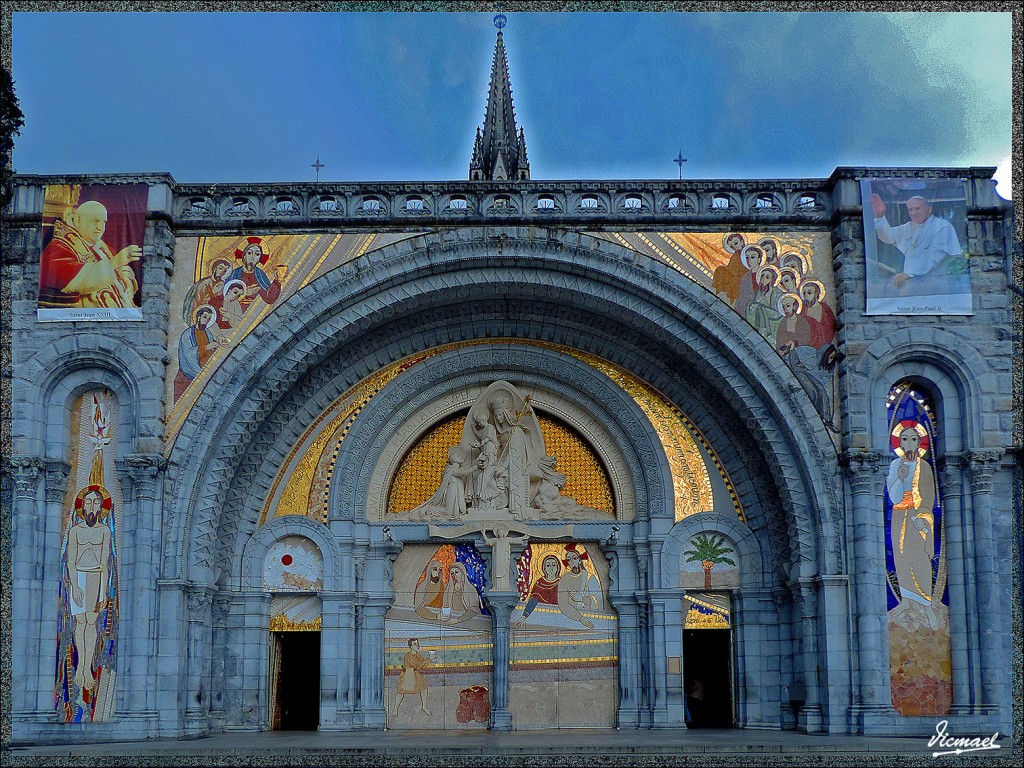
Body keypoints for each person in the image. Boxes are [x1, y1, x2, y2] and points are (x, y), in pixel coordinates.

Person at [38, 200, 141, 309]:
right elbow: (72, 281)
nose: (100, 227)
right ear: (78, 221)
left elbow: (120, 270)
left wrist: (127, 280)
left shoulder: (103, 247)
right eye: (95, 221)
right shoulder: (58, 247)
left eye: (103, 222)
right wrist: (114, 263)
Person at [886, 423, 938, 627]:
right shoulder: (894, 466)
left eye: (913, 439)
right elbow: (893, 496)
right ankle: (906, 601)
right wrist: (899, 479)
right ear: (899, 443)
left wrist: (923, 518)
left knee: (920, 559)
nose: (909, 443)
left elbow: (930, 497)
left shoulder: (924, 467)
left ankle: (927, 607)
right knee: (900, 557)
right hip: (899, 515)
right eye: (905, 439)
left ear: (919, 442)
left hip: (918, 517)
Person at [64, 486, 113, 696]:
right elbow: (70, 561)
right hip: (79, 577)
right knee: (80, 622)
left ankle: (86, 669)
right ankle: (81, 666)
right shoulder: (75, 530)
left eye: (96, 503)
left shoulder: (104, 531)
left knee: (91, 622)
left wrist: (103, 592)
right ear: (82, 506)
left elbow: (104, 562)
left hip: (95, 577)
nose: (92, 506)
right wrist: (74, 586)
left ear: (101, 507)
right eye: (88, 502)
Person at [871, 194, 963, 292]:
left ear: (929, 209)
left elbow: (934, 255)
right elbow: (889, 237)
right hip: (911, 284)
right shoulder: (909, 227)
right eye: (910, 210)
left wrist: (910, 273)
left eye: (917, 208)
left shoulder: (942, 226)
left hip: (935, 283)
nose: (914, 213)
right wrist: (880, 217)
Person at [173, 305, 223, 402]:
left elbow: (212, 349)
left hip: (205, 371)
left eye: (209, 319)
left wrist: (218, 345)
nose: (206, 321)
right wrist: (206, 347)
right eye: (205, 317)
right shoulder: (187, 334)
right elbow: (188, 354)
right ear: (198, 317)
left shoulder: (208, 332)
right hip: (188, 374)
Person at [228, 237, 285, 311]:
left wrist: (277, 280)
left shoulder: (260, 275)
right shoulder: (234, 274)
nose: (252, 257)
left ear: (259, 259)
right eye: (249, 253)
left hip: (253, 311)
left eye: (257, 254)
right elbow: (225, 295)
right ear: (244, 256)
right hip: (233, 310)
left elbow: (269, 298)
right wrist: (245, 292)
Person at [514, 554, 562, 630]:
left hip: (559, 618)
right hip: (541, 617)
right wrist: (523, 617)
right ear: (544, 568)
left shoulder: (562, 583)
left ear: (558, 567)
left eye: (554, 565)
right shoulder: (539, 583)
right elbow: (533, 601)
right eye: (548, 566)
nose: (551, 569)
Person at [392, 638, 435, 717]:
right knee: (401, 693)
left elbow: (423, 665)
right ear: (411, 646)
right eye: (415, 644)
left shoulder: (417, 654)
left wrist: (430, 659)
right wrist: (430, 659)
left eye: (417, 643)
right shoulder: (408, 656)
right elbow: (419, 664)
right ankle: (395, 709)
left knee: (423, 689)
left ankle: (424, 707)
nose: (417, 645)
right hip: (407, 674)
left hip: (415, 673)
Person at [557, 544, 598, 628]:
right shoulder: (564, 580)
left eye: (575, 558)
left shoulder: (589, 578)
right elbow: (563, 604)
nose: (572, 562)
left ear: (580, 560)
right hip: (570, 620)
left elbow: (599, 600)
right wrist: (580, 618)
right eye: (569, 560)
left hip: (590, 618)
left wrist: (583, 599)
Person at [182, 258, 230, 323]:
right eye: (220, 268)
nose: (222, 272)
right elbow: (199, 303)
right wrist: (213, 292)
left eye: (225, 271)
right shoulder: (204, 283)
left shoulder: (223, 285)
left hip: (217, 317)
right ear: (215, 268)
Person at [798, 279, 837, 351]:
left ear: (816, 294)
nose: (806, 296)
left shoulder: (824, 308)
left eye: (809, 293)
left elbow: (831, 327)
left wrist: (814, 324)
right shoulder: (803, 309)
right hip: (806, 345)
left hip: (822, 344)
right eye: (804, 293)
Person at [745, 265, 782, 340]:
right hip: (759, 324)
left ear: (772, 280)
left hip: (773, 326)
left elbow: (778, 314)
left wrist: (761, 308)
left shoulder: (777, 294)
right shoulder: (759, 293)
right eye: (762, 275)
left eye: (767, 277)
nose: (763, 279)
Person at [711, 233, 747, 305]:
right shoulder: (735, 256)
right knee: (720, 270)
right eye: (732, 246)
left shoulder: (748, 255)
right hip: (732, 277)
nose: (735, 247)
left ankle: (729, 299)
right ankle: (718, 293)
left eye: (736, 243)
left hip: (741, 280)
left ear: (742, 242)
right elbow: (730, 268)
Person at [732, 245, 764, 316]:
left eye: (752, 257)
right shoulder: (745, 278)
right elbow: (741, 296)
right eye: (747, 257)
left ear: (759, 260)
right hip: (744, 310)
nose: (749, 261)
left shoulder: (764, 276)